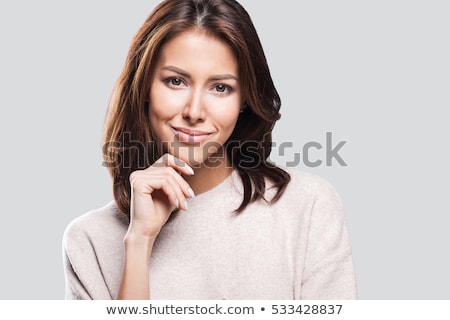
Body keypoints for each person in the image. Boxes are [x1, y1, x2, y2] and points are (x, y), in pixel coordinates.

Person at [63, 0, 357, 300]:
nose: (194, 111)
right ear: (144, 88)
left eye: (220, 87)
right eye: (175, 81)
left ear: (245, 99)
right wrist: (139, 241)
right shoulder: (89, 241)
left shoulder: (307, 207)